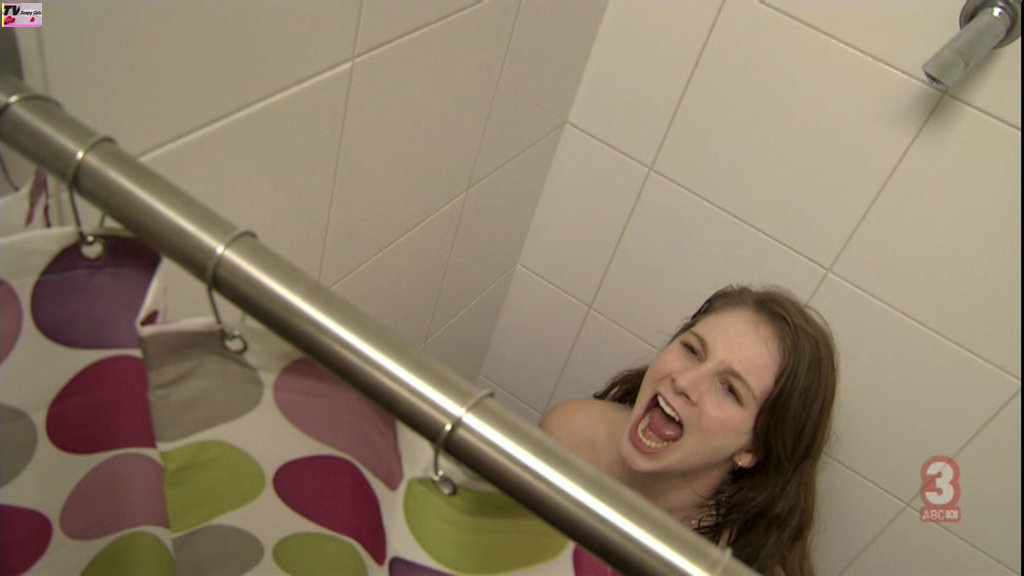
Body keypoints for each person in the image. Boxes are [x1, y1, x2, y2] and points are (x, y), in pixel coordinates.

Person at [540, 285, 837, 576]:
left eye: (730, 390)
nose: (684, 382)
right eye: (693, 350)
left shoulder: (735, 568)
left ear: (753, 449)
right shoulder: (570, 438)